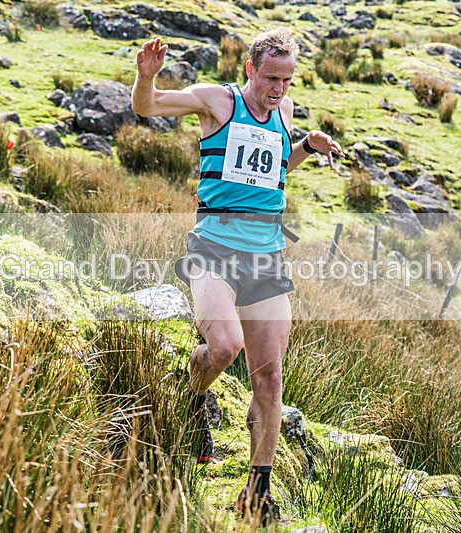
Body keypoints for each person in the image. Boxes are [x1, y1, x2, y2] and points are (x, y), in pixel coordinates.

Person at [131, 28, 343, 525]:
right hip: (213, 252)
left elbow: (275, 171)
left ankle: (256, 488)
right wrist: (145, 78)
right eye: (271, 78)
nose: (279, 89)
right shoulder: (217, 103)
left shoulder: (284, 113)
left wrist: (306, 147)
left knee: (269, 379)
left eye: (287, 80)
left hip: (266, 259)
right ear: (249, 70)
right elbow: (149, 106)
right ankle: (195, 396)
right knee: (224, 348)